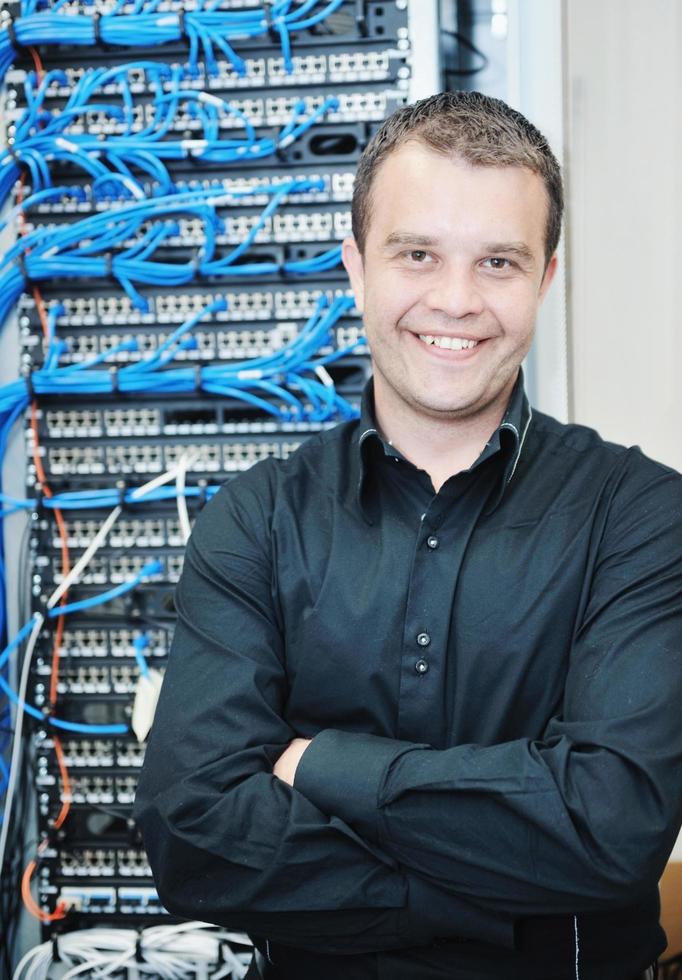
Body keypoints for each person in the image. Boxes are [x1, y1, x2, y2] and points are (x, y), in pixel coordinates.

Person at [134, 91, 681, 980]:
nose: (455, 301)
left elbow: (610, 827)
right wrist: (479, 898)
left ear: (544, 278)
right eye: (417, 254)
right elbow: (191, 830)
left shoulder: (641, 516)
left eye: (497, 262)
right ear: (356, 267)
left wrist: (319, 766)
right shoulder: (256, 521)